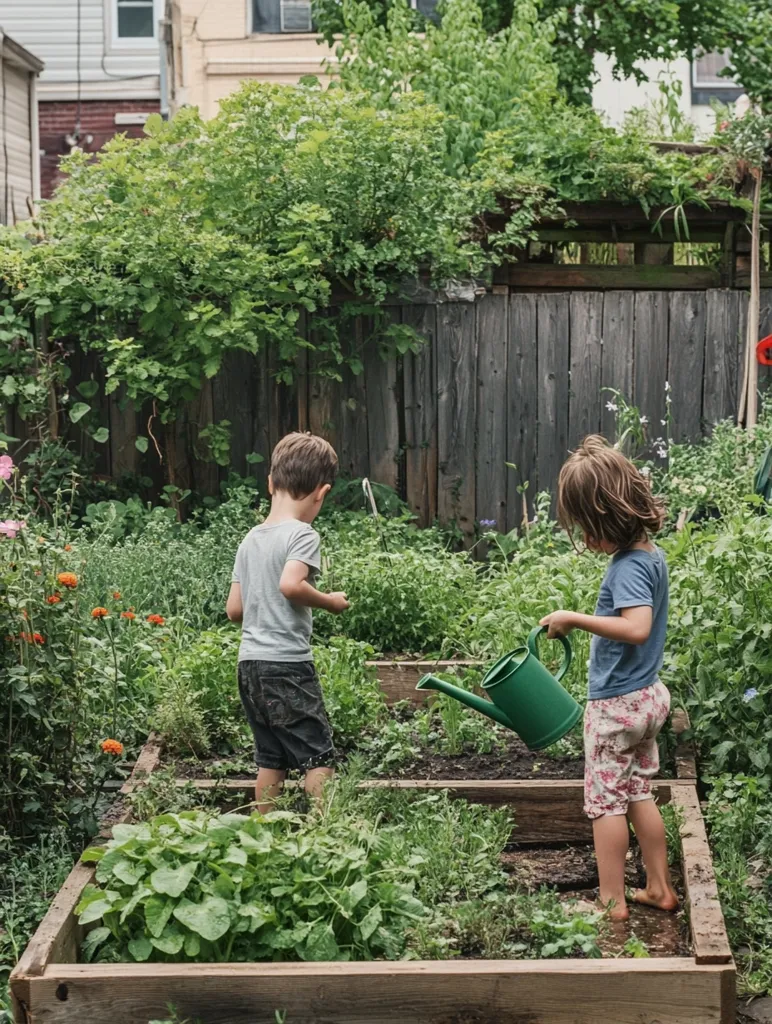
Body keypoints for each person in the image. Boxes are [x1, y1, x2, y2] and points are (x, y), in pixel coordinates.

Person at [539, 435, 677, 922]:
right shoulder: (652, 555)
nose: (586, 538)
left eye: (585, 527)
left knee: (605, 804)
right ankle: (659, 887)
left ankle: (611, 902)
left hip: (618, 707)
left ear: (606, 518)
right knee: (638, 792)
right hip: (647, 700)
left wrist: (574, 617)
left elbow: (637, 628)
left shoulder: (626, 569)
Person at [225, 432, 349, 812]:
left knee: (270, 757)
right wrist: (329, 601)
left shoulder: (250, 539)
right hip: (287, 665)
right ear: (321, 492)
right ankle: (325, 832)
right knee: (318, 754)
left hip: (250, 666)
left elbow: (234, 609)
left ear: (270, 484)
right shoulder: (303, 534)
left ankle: (262, 836)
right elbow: (291, 585)